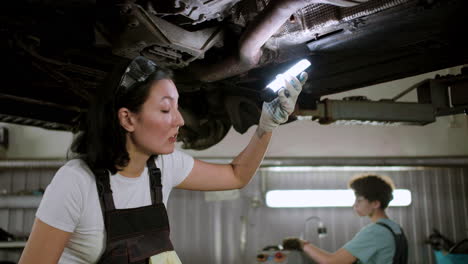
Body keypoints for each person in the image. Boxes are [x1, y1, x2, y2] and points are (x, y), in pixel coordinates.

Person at [18, 56, 307, 264]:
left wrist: (267, 126)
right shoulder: (77, 181)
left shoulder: (163, 166)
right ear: (127, 118)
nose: (180, 121)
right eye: (166, 110)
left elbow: (236, 176)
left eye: (178, 107)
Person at [283, 174, 408, 264]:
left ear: (375, 203)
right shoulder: (395, 228)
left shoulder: (375, 232)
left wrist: (301, 244)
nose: (355, 205)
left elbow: (332, 262)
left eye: (359, 200)